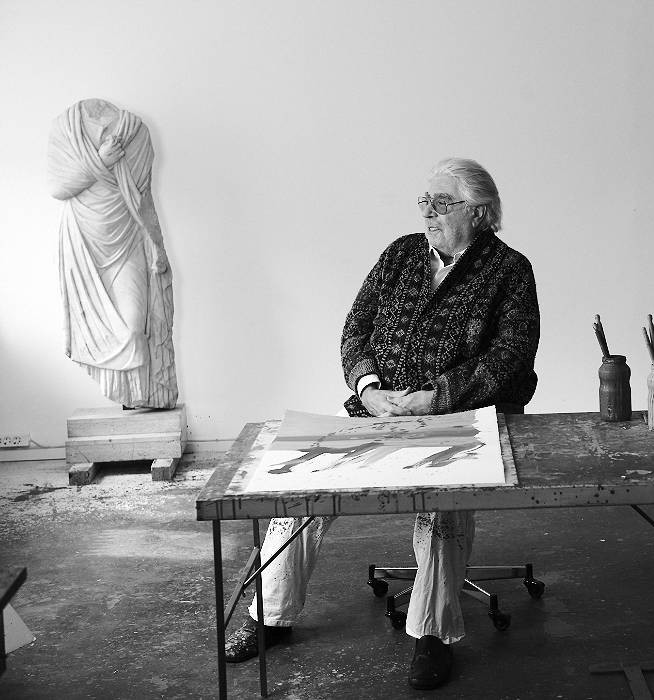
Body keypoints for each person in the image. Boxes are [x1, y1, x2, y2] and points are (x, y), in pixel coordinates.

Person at [225, 157, 540, 690]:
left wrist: (434, 397)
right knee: (301, 491)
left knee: (441, 511)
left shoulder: (510, 270)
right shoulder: (400, 254)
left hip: (461, 418)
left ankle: (432, 634)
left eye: (442, 203)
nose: (428, 213)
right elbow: (356, 328)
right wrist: (368, 389)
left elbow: (509, 358)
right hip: (378, 409)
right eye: (425, 202)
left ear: (479, 212)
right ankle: (269, 615)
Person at [48, 98, 178, 408]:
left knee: (134, 328)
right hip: (84, 244)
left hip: (127, 240)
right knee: (101, 330)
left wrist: (157, 245)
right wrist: (100, 161)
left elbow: (143, 198)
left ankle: (140, 395)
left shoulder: (136, 132)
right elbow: (58, 187)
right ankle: (128, 399)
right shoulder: (65, 127)